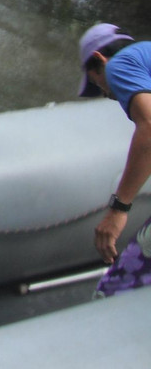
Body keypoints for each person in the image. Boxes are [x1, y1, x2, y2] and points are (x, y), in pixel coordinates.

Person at [77, 22, 151, 297]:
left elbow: (150, 128)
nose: (106, 94)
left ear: (99, 60)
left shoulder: (119, 64)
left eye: (97, 84)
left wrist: (118, 210)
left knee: (116, 290)